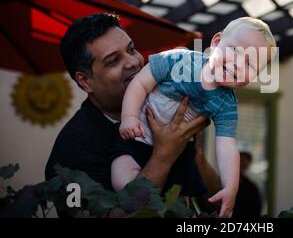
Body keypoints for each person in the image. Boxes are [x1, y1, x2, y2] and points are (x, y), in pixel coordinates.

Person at [45, 13, 221, 215]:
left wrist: (195, 153)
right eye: (113, 61)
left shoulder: (166, 103)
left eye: (131, 50)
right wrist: (164, 155)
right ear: (85, 81)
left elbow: (218, 207)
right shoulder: (72, 147)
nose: (133, 62)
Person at [115, 17, 276, 218]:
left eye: (250, 65)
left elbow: (226, 146)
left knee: (177, 200)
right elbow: (141, 83)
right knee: (123, 184)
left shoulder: (226, 104)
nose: (237, 64)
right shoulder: (180, 60)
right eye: (235, 51)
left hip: (177, 157)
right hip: (137, 139)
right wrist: (129, 117)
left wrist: (231, 187)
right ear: (216, 42)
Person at [233, 147, 262, 218]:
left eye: (245, 161)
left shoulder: (251, 187)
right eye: (241, 160)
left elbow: (256, 209)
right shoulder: (223, 181)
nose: (242, 163)